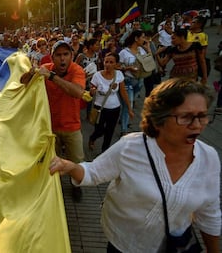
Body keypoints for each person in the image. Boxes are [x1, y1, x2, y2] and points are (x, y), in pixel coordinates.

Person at [49, 78, 220, 252]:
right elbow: (92, 173)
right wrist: (70, 167)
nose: (197, 125)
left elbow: (209, 215)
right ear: (158, 119)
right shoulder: (130, 147)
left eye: (202, 116)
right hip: (122, 244)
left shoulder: (209, 158)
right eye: (186, 117)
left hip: (175, 247)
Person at [33, 40, 86, 202]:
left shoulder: (77, 70)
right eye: (58, 55)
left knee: (76, 161)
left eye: (66, 54)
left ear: (71, 56)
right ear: (52, 57)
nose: (62, 59)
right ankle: (53, 189)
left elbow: (77, 92)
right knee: (51, 161)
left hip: (72, 127)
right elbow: (24, 82)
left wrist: (52, 77)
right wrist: (30, 71)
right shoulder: (45, 69)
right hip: (50, 128)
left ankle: (76, 187)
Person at [88, 53, 134, 152]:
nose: (108, 64)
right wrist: (92, 91)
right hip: (99, 108)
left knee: (110, 132)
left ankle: (104, 152)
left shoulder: (119, 75)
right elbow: (91, 90)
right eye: (106, 62)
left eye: (111, 62)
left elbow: (123, 92)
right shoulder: (97, 75)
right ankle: (92, 138)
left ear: (116, 64)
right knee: (99, 130)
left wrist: (129, 109)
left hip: (114, 108)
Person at [118, 30, 150, 136]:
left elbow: (149, 60)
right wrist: (129, 68)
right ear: (136, 38)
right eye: (142, 37)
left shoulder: (142, 50)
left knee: (127, 104)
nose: (144, 39)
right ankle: (124, 130)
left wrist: (148, 46)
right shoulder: (124, 53)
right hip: (127, 81)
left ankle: (123, 118)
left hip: (139, 81)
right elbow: (117, 67)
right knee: (128, 105)